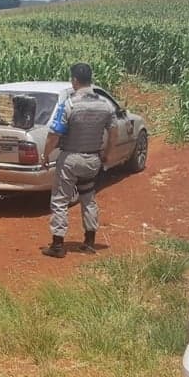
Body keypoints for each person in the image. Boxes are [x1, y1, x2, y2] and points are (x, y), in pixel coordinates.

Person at [40, 62, 118, 258]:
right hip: (93, 159)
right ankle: (90, 242)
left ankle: (57, 245)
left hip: (70, 159)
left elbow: (54, 135)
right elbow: (114, 131)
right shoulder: (105, 104)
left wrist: (46, 154)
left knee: (60, 199)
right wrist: (107, 153)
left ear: (74, 80)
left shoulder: (69, 104)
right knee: (88, 198)